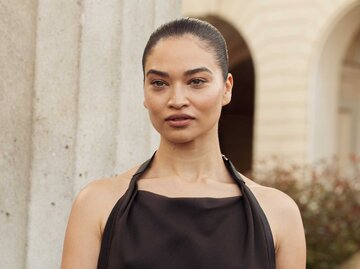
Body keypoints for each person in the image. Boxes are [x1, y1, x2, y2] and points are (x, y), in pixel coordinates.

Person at [61, 17, 306, 269]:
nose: (177, 99)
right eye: (159, 83)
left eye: (196, 81)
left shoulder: (278, 213)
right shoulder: (97, 203)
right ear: (145, 92)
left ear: (227, 88)